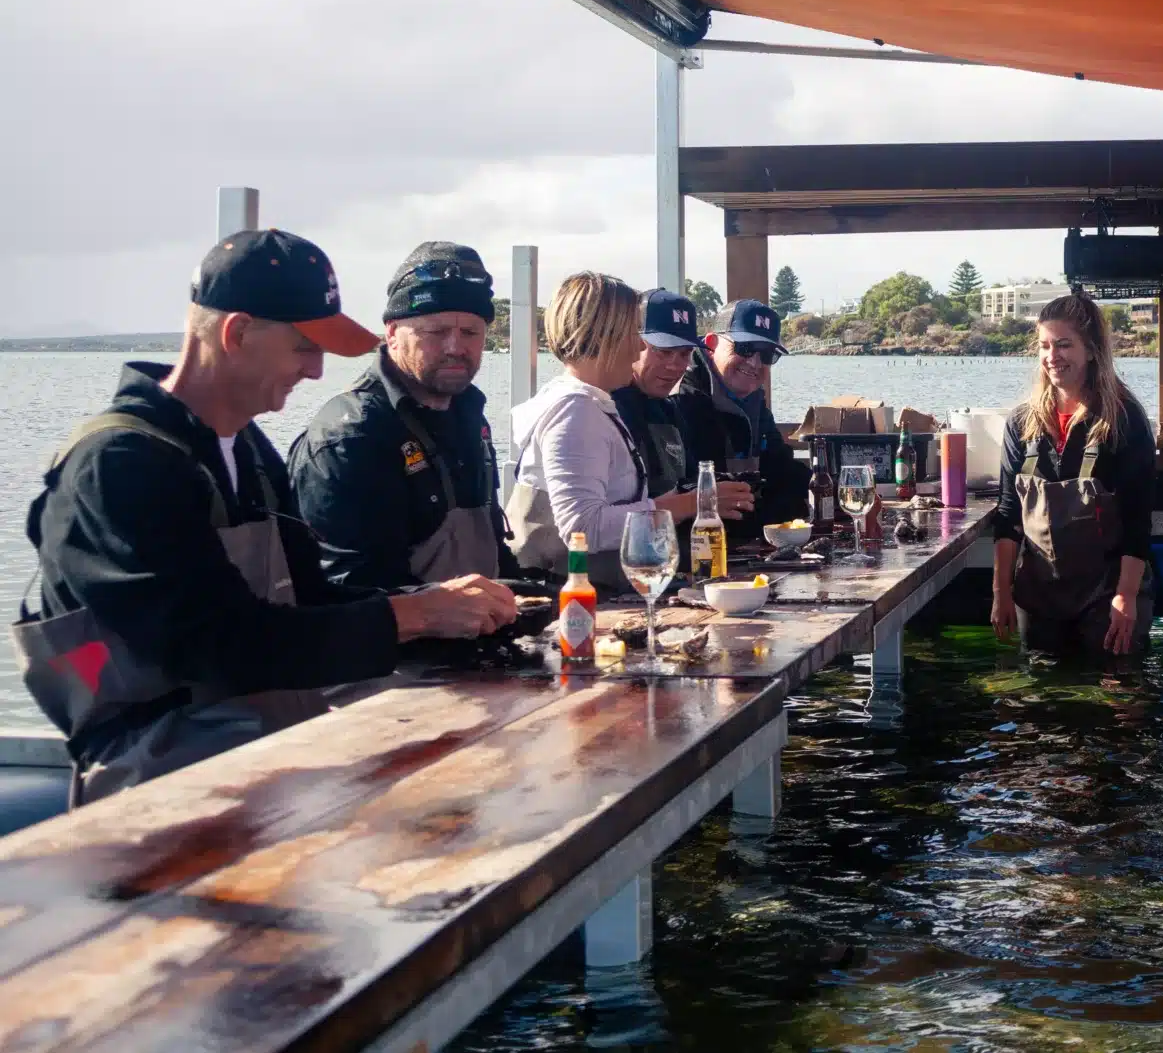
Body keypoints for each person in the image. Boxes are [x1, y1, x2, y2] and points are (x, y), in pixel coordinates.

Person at [17, 230, 517, 804]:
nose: (315, 371)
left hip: (276, 755)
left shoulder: (250, 450)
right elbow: (219, 645)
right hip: (159, 787)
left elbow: (311, 600)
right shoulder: (117, 465)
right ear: (237, 333)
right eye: (305, 346)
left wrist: (443, 605)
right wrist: (415, 613)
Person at [290, 242, 523, 589]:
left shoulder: (471, 416)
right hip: (391, 641)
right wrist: (439, 609)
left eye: (471, 333)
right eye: (437, 332)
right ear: (393, 334)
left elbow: (494, 552)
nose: (455, 347)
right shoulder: (353, 435)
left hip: (484, 633)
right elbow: (348, 588)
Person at [990, 293, 1158, 660]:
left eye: (1064, 345)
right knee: (1042, 703)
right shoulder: (1022, 422)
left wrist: (1125, 596)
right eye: (1045, 346)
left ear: (1092, 350)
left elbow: (1137, 520)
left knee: (1116, 702)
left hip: (1107, 593)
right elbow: (1007, 515)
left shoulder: (1125, 420)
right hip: (1039, 595)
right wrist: (1001, 591)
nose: (1053, 357)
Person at [507, 272, 696, 593]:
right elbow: (583, 527)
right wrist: (687, 505)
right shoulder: (575, 410)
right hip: (573, 599)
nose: (638, 347)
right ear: (603, 336)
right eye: (631, 333)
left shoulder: (587, 402)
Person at [610, 289, 751, 522]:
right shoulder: (608, 410)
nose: (674, 366)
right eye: (663, 352)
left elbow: (689, 480)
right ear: (633, 343)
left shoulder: (671, 410)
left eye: (684, 354)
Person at [678, 299, 809, 535]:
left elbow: (782, 470)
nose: (754, 363)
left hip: (745, 541)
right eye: (745, 348)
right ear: (711, 343)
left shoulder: (754, 401)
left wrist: (837, 491)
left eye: (767, 355)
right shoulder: (682, 400)